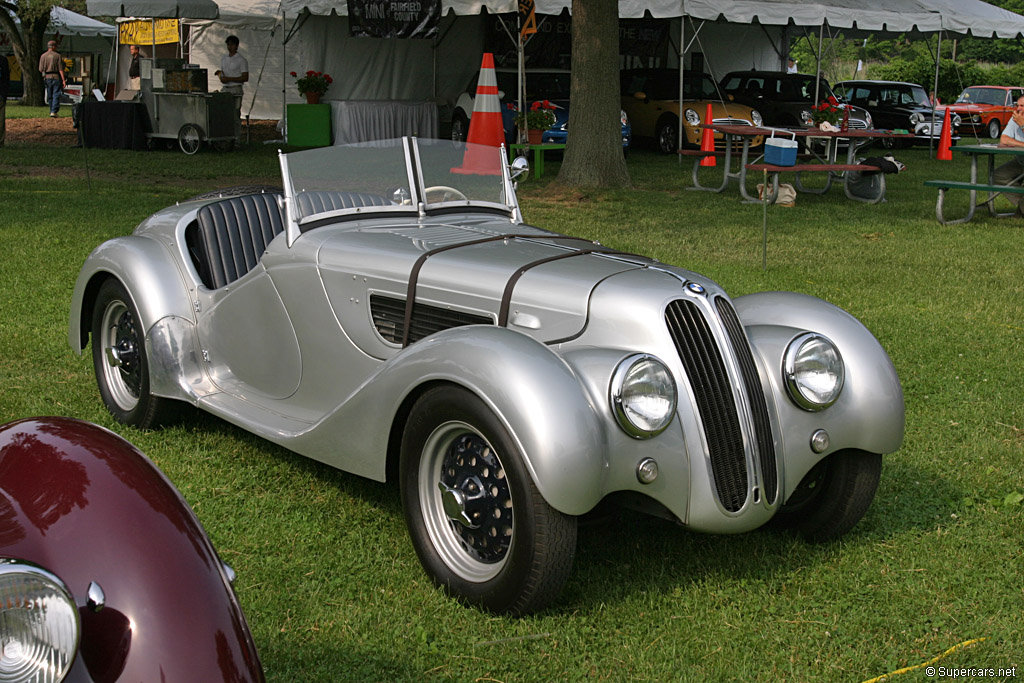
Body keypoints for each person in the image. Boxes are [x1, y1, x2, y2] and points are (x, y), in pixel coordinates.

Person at [993, 95, 1024, 217]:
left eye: (1022, 106)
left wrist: (1022, 125)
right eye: (1017, 105)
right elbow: (1004, 140)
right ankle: (1022, 205)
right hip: (1020, 161)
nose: (1018, 109)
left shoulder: (1019, 121)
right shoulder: (1015, 118)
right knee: (998, 175)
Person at [215, 35, 248, 137]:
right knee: (224, 114)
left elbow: (245, 77)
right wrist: (221, 75)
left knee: (235, 115)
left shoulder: (241, 60)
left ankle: (236, 138)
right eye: (228, 44)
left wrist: (229, 79)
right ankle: (225, 137)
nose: (230, 47)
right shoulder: (224, 58)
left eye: (232, 45)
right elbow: (224, 74)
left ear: (237, 46)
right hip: (226, 88)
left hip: (236, 89)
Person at [38, 40, 66, 118]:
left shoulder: (43, 56)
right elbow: (60, 69)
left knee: (49, 95)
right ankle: (54, 111)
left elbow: (40, 69)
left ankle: (51, 110)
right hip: (56, 77)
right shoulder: (57, 55)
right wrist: (63, 80)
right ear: (53, 47)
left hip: (47, 77)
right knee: (56, 94)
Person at [0, 56, 9, 147]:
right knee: (1, 119)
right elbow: (6, 77)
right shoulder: (3, 60)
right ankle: (0, 141)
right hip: (1, 93)